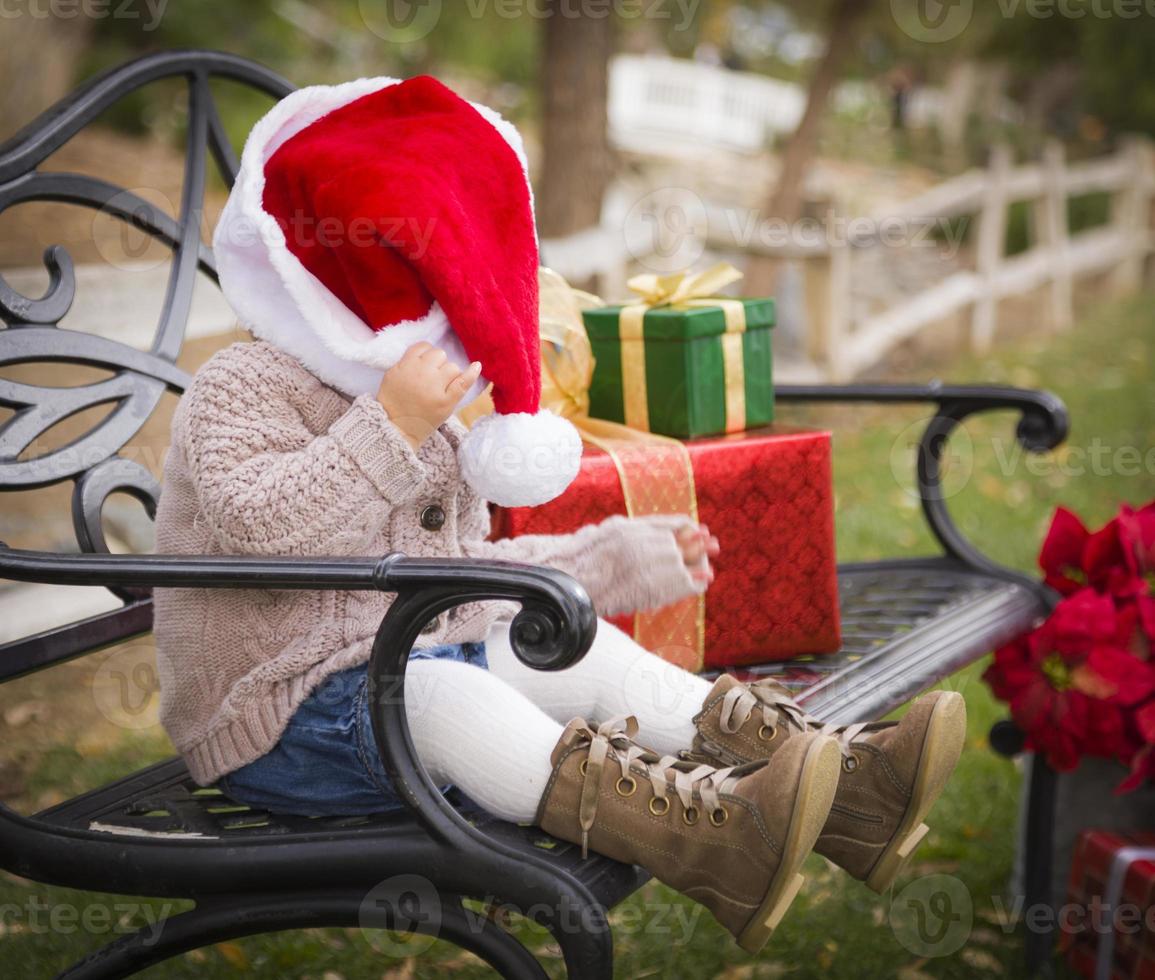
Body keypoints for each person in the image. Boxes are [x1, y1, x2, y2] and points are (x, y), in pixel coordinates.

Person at [153, 75, 965, 954]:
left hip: (411, 659)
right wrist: (388, 425)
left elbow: (463, 579)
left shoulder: (417, 404)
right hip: (279, 721)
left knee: (575, 648)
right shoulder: (242, 388)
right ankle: (719, 841)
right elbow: (259, 531)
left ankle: (851, 793)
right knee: (450, 697)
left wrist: (608, 558)